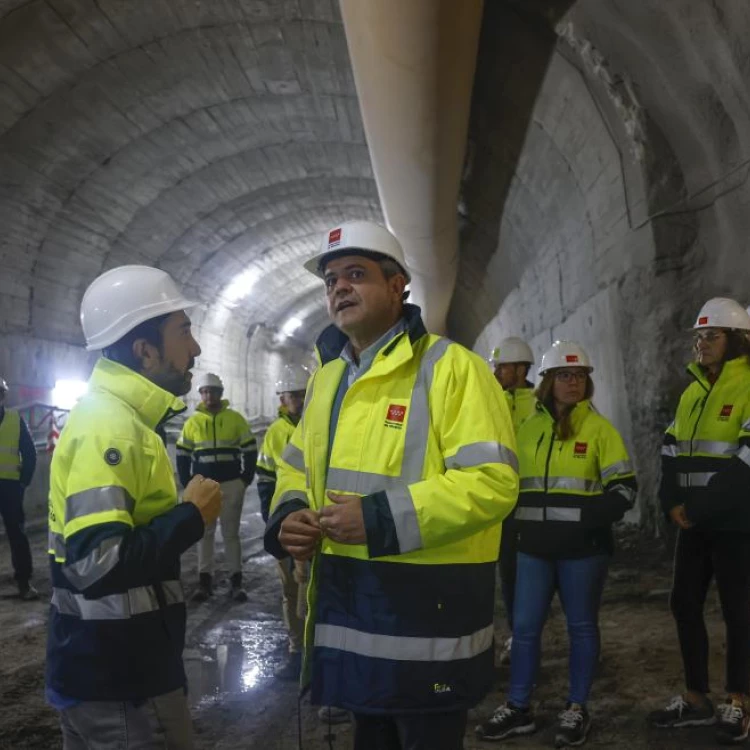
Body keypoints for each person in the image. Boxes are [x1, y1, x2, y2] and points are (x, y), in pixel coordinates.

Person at [264, 220, 519, 750]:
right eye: (331, 279)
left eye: (355, 274)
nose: (338, 288)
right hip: (352, 613)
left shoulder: (454, 370)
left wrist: (379, 517)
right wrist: (288, 513)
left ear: (398, 283)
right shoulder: (328, 380)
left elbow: (493, 483)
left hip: (427, 621)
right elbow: (294, 464)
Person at [46, 265, 222, 750]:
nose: (196, 349)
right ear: (145, 351)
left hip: (118, 663)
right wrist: (191, 516)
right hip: (117, 675)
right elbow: (95, 565)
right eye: (184, 331)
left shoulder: (127, 421)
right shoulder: (111, 429)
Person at [476, 340, 637, 747]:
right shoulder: (527, 429)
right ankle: (518, 707)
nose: (573, 383)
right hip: (532, 550)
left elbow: (625, 490)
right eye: (564, 375)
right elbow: (506, 484)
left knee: (581, 628)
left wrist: (588, 520)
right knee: (525, 630)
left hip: (584, 551)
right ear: (546, 382)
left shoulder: (600, 430)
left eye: (580, 376)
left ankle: (576, 708)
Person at [649, 298, 750, 745]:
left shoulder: (747, 385)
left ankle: (739, 701)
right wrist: (671, 499)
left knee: (740, 612)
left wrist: (699, 506)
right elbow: (670, 449)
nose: (702, 343)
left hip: (736, 523)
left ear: (737, 340)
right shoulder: (692, 392)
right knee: (684, 604)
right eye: (698, 336)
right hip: (693, 523)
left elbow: (747, 460)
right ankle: (696, 698)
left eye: (712, 335)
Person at [177, 373, 257, 603]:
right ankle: (204, 583)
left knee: (231, 534)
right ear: (200, 395)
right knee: (205, 534)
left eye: (213, 391)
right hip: (204, 488)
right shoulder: (192, 422)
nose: (208, 395)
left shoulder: (235, 419)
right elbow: (183, 454)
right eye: (204, 391)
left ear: (220, 394)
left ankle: (236, 582)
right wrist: (188, 482)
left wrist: (245, 479)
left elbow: (250, 449)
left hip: (232, 484)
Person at [489, 337, 537, 665]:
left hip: (537, 504)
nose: (497, 373)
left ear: (521, 369)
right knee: (509, 575)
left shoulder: (542, 400)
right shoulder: (492, 402)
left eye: (502, 367)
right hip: (504, 505)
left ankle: (533, 637)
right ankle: (518, 639)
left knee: (539, 576)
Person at [0, 376, 39, 600]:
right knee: (17, 535)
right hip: (11, 488)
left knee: (17, 535)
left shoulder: (15, 420)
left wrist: (23, 482)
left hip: (10, 488)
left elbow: (30, 453)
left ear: (2, 396)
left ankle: (24, 583)